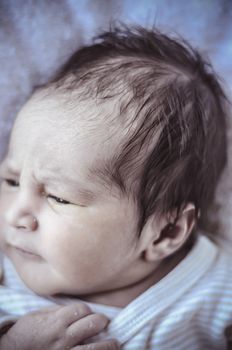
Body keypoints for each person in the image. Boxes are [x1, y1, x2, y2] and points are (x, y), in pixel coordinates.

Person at [0, 25, 231, 350]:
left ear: (166, 232)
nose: (15, 214)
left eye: (58, 197)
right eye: (10, 181)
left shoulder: (217, 289)